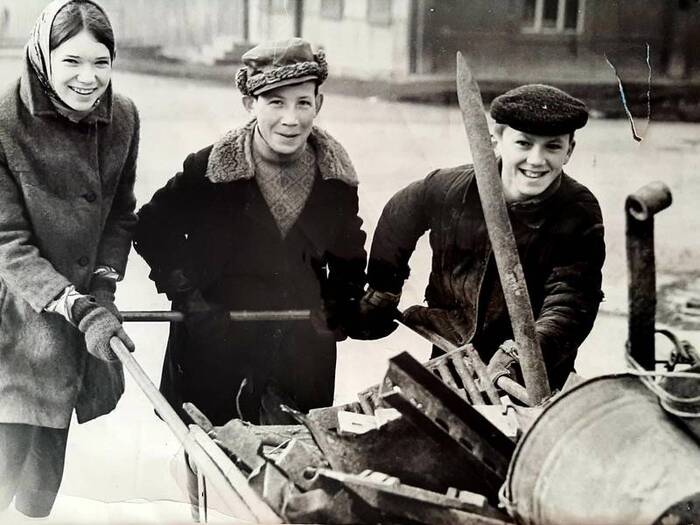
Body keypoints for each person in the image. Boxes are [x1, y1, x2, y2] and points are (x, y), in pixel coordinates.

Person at [133, 38, 367, 428]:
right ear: (250, 103)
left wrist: (341, 303)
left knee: (289, 467)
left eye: (303, 103)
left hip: (299, 355)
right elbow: (153, 228)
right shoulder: (209, 170)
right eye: (275, 102)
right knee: (212, 467)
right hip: (216, 347)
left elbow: (349, 252)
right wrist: (189, 298)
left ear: (319, 104)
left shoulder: (336, 178)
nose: (291, 119)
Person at [363, 84, 605, 391]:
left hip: (531, 369)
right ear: (496, 140)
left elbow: (570, 302)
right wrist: (385, 286)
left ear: (569, 151)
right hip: (452, 347)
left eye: (552, 147)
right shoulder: (451, 189)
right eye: (523, 143)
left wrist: (522, 356)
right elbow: (401, 213)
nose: (536, 160)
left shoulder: (578, 211)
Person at [0, 0, 138, 518]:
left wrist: (102, 290)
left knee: (39, 493)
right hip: (14, 326)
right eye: (72, 62)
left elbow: (120, 215)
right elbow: (6, 239)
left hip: (76, 336)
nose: (88, 78)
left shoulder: (122, 117)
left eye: (100, 61)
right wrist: (76, 305)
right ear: (42, 57)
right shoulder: (3, 122)